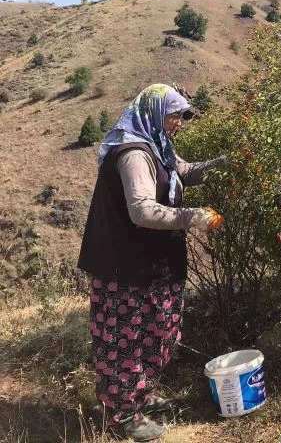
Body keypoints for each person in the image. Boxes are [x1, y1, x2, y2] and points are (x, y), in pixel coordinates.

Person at [78, 84, 225, 442]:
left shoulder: (158, 145)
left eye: (181, 117)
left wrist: (224, 165)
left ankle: (140, 395)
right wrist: (192, 216)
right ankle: (122, 416)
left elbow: (183, 171)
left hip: (153, 264)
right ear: (154, 112)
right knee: (125, 341)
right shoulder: (133, 153)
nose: (178, 123)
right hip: (125, 267)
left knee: (159, 332)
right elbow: (141, 210)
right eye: (174, 115)